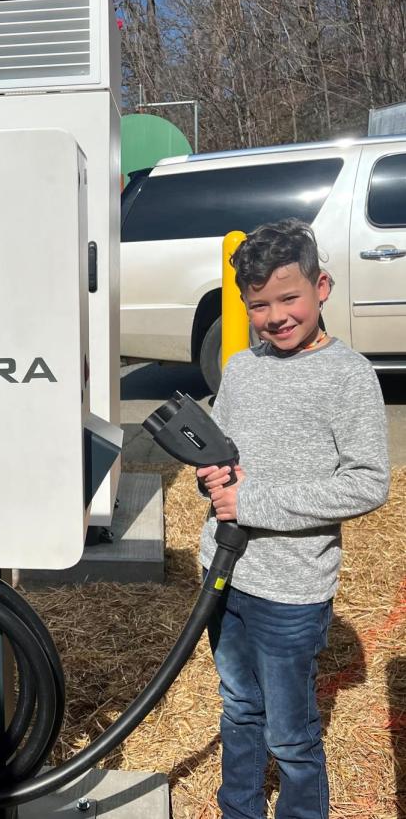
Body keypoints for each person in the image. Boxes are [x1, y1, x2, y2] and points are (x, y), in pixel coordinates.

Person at [196, 218, 390, 819]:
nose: (276, 315)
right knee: (238, 706)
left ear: (321, 286)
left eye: (289, 298)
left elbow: (368, 483)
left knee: (290, 734)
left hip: (292, 589)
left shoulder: (348, 374)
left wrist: (254, 502)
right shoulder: (241, 368)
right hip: (225, 573)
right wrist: (212, 477)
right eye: (260, 305)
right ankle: (240, 809)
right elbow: (222, 451)